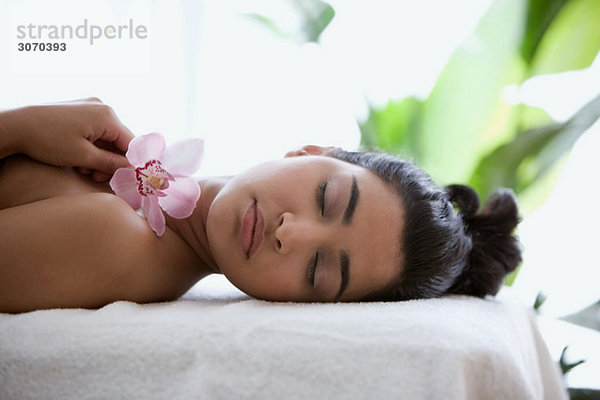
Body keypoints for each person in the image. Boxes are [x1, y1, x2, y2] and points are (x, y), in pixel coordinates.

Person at [0, 98, 522, 313]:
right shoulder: (129, 188)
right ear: (313, 152)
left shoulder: (116, 241)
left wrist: (17, 126)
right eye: (327, 197)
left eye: (318, 270)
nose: (290, 235)